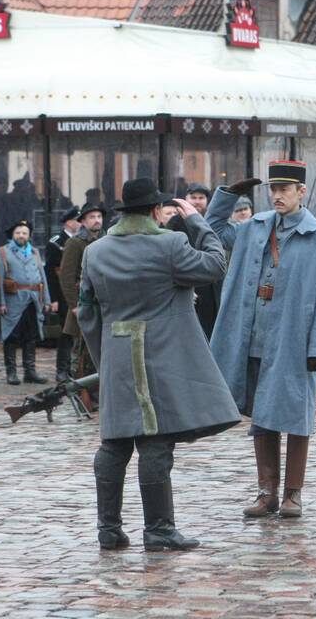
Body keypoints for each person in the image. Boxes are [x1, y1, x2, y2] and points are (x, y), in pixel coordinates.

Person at [77, 178, 239, 551]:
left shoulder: (95, 252)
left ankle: (108, 528)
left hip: (117, 353)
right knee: (154, 442)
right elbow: (216, 263)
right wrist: (198, 221)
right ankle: (159, 530)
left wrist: (105, 358)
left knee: (114, 443)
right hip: (159, 355)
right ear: (155, 211)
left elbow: (86, 311)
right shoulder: (170, 244)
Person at [206, 161, 316, 520]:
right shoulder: (253, 228)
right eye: (273, 190)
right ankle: (267, 492)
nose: (277, 196)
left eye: (285, 190)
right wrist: (228, 194)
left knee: (296, 413)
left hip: (294, 338)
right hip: (253, 335)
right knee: (262, 415)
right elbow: (212, 230)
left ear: (300, 192)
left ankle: (293, 494)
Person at [0, 220, 54, 385]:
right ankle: (11, 372)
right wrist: (1, 303)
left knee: (31, 337)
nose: (21, 236)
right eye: (18, 233)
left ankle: (30, 371)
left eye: (24, 233)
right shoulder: (3, 252)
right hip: (13, 300)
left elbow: (43, 278)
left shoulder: (35, 252)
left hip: (33, 300)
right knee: (12, 336)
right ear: (12, 235)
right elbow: (0, 280)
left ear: (29, 235)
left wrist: (47, 300)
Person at [59, 203, 105, 378]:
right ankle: (81, 390)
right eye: (92, 217)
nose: (97, 221)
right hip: (83, 301)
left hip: (102, 303)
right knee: (80, 353)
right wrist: (74, 305)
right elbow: (66, 277)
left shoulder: (108, 240)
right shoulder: (75, 243)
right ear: (83, 222)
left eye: (99, 217)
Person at [48, 206, 80, 382]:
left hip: (77, 290)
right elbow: (51, 274)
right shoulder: (56, 242)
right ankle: (62, 369)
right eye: (77, 220)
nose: (80, 223)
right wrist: (53, 298)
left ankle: (73, 368)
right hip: (62, 294)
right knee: (65, 333)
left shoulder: (81, 240)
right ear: (69, 222)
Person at [186, 183, 220, 338]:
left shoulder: (212, 224)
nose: (197, 201)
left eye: (201, 198)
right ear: (186, 199)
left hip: (212, 287)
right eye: (193, 197)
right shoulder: (176, 222)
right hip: (189, 286)